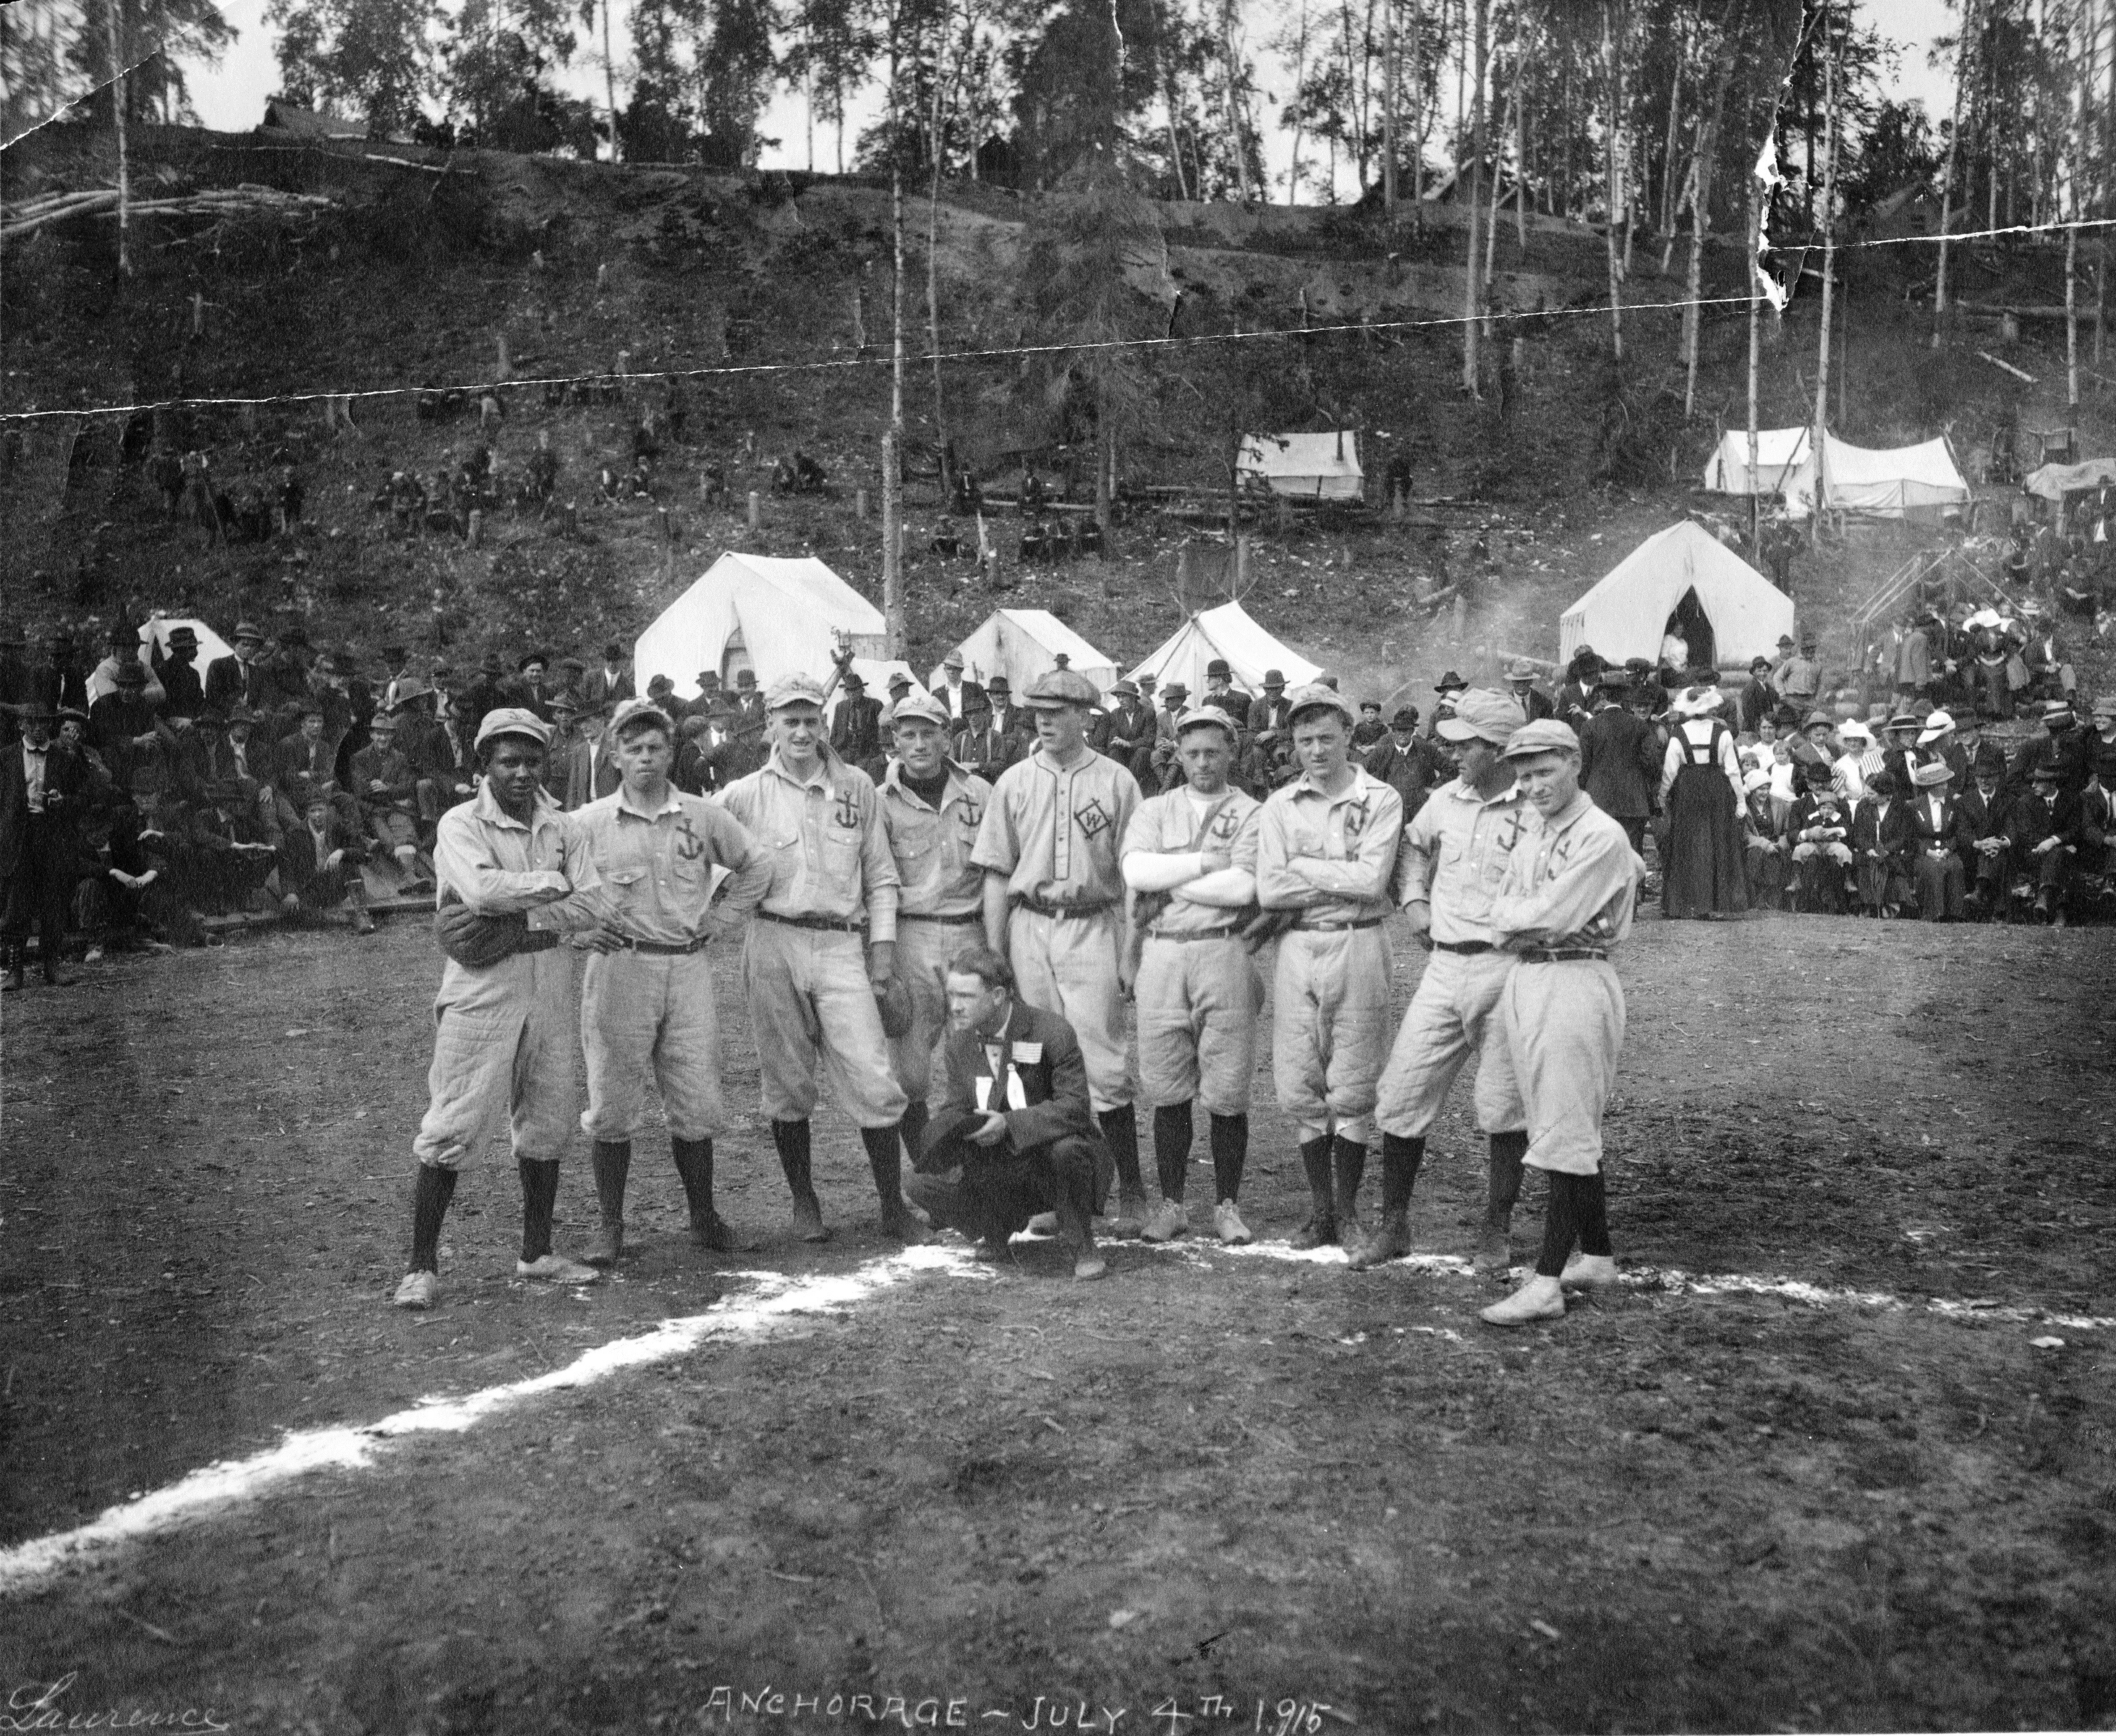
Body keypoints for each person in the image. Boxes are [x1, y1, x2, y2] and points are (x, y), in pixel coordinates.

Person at [391, 708, 611, 1310]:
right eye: (508, 761)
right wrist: (556, 889)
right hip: (482, 985)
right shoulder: (461, 824)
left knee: (548, 1117)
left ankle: (536, 1253)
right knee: (455, 1120)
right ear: (483, 763)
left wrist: (530, 907)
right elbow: (481, 891)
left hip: (549, 980)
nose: (521, 773)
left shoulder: (564, 828)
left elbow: (591, 907)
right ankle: (420, 1267)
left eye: (532, 761)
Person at [718, 673, 920, 1244]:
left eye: (811, 720)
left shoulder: (857, 786)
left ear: (824, 723)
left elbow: (881, 879)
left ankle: (892, 1206)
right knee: (786, 1082)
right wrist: (711, 916)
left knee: (874, 1077)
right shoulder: (742, 795)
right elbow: (702, 856)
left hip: (839, 944)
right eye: (790, 720)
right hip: (772, 940)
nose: (802, 731)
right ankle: (804, 1204)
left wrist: (881, 960)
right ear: (771, 727)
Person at [572, 699, 773, 1265]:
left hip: (686, 966)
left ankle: (704, 1217)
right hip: (621, 968)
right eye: (632, 749)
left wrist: (721, 919)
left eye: (654, 748)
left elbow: (756, 865)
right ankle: (610, 1226)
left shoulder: (703, 816)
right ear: (613, 756)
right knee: (611, 1098)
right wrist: (577, 931)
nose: (644, 759)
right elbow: (550, 883)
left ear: (670, 752)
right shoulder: (587, 823)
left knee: (695, 1095)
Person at [1478, 720, 1646, 1327]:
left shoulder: (1601, 835)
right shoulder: (1534, 830)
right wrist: (1518, 918)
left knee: (1565, 1128)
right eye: (1523, 777)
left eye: (1544, 771)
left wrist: (1517, 917)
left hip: (1575, 978)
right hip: (1530, 976)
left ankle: (1546, 1281)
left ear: (1575, 764)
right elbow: (1499, 909)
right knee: (1557, 1115)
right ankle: (1596, 1255)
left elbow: (1550, 915)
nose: (1533, 786)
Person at [972, 665, 1148, 1234]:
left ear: (1084, 717)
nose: (1044, 722)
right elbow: (998, 873)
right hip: (1030, 923)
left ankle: (1133, 1195)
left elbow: (1134, 874)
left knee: (1101, 1059)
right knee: (1035, 1063)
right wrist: (995, 952)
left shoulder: (1117, 780)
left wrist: (1130, 950)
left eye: (1057, 713)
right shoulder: (1015, 781)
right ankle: (1058, 1194)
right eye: (1037, 713)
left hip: (1092, 923)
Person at [1362, 688, 1531, 1274]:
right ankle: (1394, 1225)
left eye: (1467, 745)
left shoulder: (1537, 808)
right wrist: (1412, 902)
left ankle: (1495, 1229)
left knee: (1503, 1106)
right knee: (1400, 1094)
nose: (1453, 753)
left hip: (1509, 970)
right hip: (1443, 968)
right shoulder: (1444, 799)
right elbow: (1411, 846)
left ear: (1501, 749)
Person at [1255, 684, 1405, 1249]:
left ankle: (1347, 1212)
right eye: (1304, 741)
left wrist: (1303, 866)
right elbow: (1270, 891)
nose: (1316, 751)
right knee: (1300, 1079)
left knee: (1353, 1078)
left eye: (1325, 738)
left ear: (1348, 734)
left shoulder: (1380, 798)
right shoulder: (1279, 804)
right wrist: (1332, 871)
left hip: (1359, 943)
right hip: (1296, 946)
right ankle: (1319, 1212)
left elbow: (1372, 882)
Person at [1120, 707, 1264, 1247]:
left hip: (1222, 950)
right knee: (1165, 1083)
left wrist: (1171, 877)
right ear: (1176, 754)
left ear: (1231, 752)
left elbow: (1244, 889)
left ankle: (1227, 1205)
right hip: (1161, 954)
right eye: (1193, 752)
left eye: (1213, 751)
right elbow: (1136, 872)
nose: (1203, 762)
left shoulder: (1251, 811)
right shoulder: (1155, 809)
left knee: (1227, 1087)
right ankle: (1172, 1204)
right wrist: (1206, 864)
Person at [911, 948, 1114, 1279]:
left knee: (1068, 1151)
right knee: (920, 1184)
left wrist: (1009, 1124)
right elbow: (958, 1104)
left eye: (965, 995)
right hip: (1000, 1161)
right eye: (951, 994)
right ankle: (996, 1231)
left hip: (1054, 1156)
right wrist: (952, 1129)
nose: (955, 1006)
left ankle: (1082, 1243)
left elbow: (1074, 1108)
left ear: (997, 996)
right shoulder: (959, 1043)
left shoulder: (1051, 1031)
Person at [877, 694, 993, 1178]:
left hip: (969, 932)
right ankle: (931, 1171)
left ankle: (984, 1173)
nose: (919, 744)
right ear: (896, 741)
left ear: (947, 737)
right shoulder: (878, 801)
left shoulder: (980, 793)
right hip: (912, 934)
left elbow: (998, 870)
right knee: (909, 1071)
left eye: (929, 733)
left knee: (979, 1061)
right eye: (909, 734)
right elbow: (875, 881)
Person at [1, 702, 88, 990]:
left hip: (53, 835)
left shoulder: (65, 758)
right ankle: (16, 971)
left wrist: (64, 802)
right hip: (19, 837)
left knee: (54, 901)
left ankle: (52, 966)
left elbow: (83, 799)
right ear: (21, 725)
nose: (38, 728)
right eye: (32, 722)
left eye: (43, 723)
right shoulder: (5, 759)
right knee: (17, 907)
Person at [1658, 684, 1749, 919]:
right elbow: (1733, 771)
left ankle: (1687, 904)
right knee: (1716, 843)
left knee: (1688, 844)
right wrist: (1741, 801)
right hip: (1716, 790)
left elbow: (1669, 772)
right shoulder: (1724, 733)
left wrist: (1662, 796)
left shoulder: (1678, 734)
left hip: (1688, 791)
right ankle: (1714, 904)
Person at [1577, 670, 1658, 859]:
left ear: (1603, 696)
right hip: (1633, 801)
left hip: (1599, 800)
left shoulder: (1590, 726)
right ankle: (1636, 888)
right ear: (1624, 696)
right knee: (1632, 854)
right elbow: (1652, 762)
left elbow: (1582, 767)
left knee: (1600, 853)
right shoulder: (1639, 726)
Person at [276, 782, 375, 932]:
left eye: (320, 810)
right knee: (294, 912)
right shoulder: (295, 833)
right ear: (306, 813)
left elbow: (363, 853)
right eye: (312, 811)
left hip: (335, 883)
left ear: (328, 810)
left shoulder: (340, 826)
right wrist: (290, 892)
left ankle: (362, 915)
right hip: (311, 887)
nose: (317, 815)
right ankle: (339, 918)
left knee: (349, 862)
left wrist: (342, 851)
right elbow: (287, 868)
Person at [1905, 760, 1967, 921]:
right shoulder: (1915, 806)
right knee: (1932, 868)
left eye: (1946, 783)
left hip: (1948, 849)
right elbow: (1911, 836)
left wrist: (1948, 849)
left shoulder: (1954, 804)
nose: (1946, 787)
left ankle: (1955, 914)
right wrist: (1927, 851)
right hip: (1924, 852)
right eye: (1942, 784)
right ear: (1931, 786)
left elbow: (1958, 832)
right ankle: (1935, 914)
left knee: (1955, 866)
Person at [1849, 767, 1913, 917]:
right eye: (1866, 792)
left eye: (1871, 793)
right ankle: (1870, 905)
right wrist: (1869, 849)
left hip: (1892, 852)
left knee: (1890, 865)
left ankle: (1891, 905)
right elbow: (1858, 834)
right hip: (1869, 852)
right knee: (1865, 864)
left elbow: (1903, 836)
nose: (1866, 796)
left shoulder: (1902, 808)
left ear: (1884, 794)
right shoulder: (1862, 806)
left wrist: (1886, 850)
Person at [935, 650, 985, 726]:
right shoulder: (938, 693)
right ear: (945, 670)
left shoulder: (975, 688)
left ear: (961, 670)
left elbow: (987, 709)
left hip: (969, 733)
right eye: (949, 668)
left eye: (955, 668)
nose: (951, 672)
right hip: (947, 734)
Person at [1505, 659, 1556, 723]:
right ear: (1512, 682)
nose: (1521, 684)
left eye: (1525, 681)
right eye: (1517, 681)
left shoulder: (1544, 702)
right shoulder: (1505, 702)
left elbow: (1549, 728)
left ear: (1531, 681)